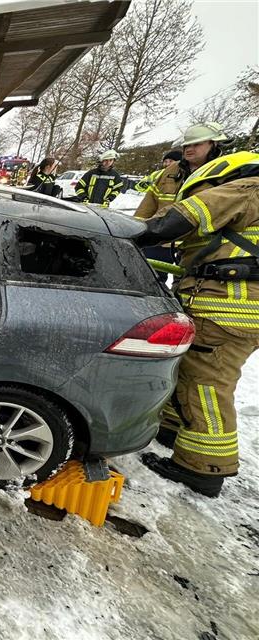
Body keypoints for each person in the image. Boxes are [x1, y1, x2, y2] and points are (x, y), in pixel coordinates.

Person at [135, 151, 259, 497]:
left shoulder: (246, 188)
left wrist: (129, 232)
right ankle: (174, 430)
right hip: (237, 312)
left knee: (206, 384)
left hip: (226, 311)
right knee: (192, 374)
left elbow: (183, 217)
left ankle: (202, 467)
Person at [134, 123, 227, 220]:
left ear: (214, 144)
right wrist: (136, 227)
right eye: (187, 145)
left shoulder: (224, 173)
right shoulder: (172, 169)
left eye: (197, 144)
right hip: (157, 231)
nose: (189, 149)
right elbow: (149, 202)